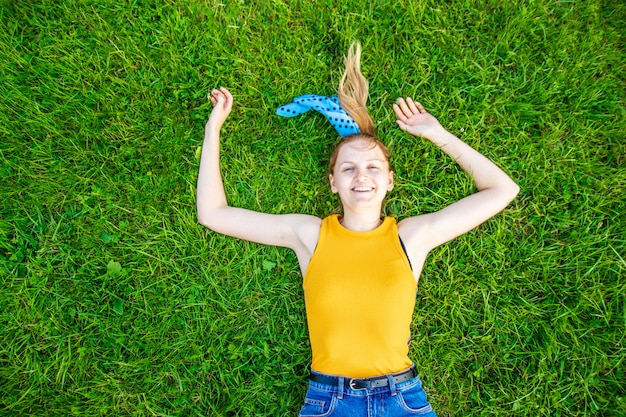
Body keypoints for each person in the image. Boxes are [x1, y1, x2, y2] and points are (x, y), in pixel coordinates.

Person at [197, 42, 519, 417]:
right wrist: (213, 129)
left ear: (390, 181)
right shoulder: (310, 235)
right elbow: (213, 213)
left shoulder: (411, 237)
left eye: (373, 168)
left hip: (402, 399)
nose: (361, 176)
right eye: (348, 168)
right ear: (333, 182)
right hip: (330, 402)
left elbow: (502, 190)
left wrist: (438, 134)